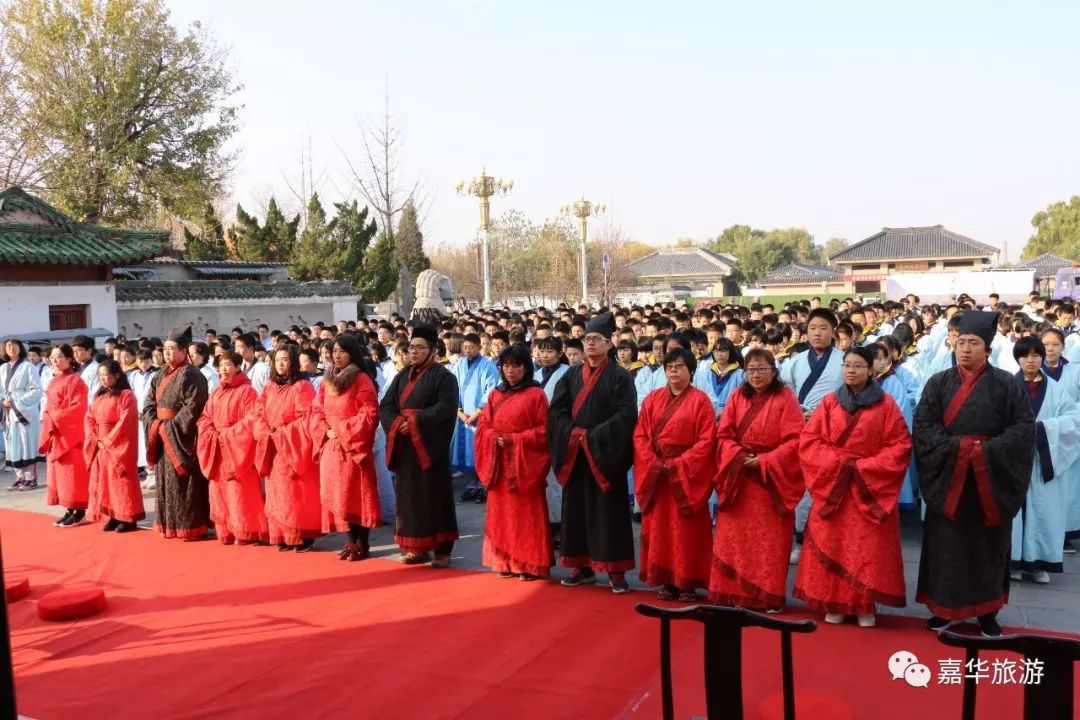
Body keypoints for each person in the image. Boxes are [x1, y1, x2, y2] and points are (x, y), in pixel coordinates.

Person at [914, 311, 1035, 638]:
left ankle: (987, 612)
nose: (965, 349)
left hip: (989, 480)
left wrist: (985, 452)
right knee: (947, 545)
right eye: (961, 342)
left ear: (988, 349)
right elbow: (924, 427)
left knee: (988, 547)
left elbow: (1023, 429)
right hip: (950, 478)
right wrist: (958, 450)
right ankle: (944, 608)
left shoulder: (1006, 384)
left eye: (974, 343)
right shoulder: (938, 383)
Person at [792, 346, 912, 627]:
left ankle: (863, 605)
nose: (851, 370)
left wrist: (864, 468)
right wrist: (839, 463)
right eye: (847, 365)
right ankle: (834, 602)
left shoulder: (887, 405)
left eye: (858, 366)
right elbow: (810, 442)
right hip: (835, 487)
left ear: (871, 370)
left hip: (868, 487)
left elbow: (900, 445)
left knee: (866, 549)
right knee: (834, 544)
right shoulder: (830, 403)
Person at [548, 312, 638, 593]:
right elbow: (557, 411)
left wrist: (593, 437)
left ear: (610, 343)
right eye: (587, 339)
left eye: (596, 339)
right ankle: (581, 566)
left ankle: (615, 570)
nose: (590, 344)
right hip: (575, 452)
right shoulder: (571, 375)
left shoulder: (620, 377)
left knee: (609, 512)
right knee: (576, 510)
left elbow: (626, 415)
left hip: (604, 454)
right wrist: (573, 434)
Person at [711, 349, 805, 611]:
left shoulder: (786, 397)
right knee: (734, 540)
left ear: (774, 371)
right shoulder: (737, 396)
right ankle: (730, 592)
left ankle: (767, 595)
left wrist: (765, 461)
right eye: (751, 369)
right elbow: (724, 435)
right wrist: (739, 456)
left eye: (762, 369)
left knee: (768, 543)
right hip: (738, 477)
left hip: (770, 482)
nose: (756, 374)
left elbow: (796, 440)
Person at [633, 347, 714, 601]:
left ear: (691, 371)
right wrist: (653, 462)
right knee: (661, 530)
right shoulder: (652, 399)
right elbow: (640, 436)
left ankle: (687, 581)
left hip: (686, 475)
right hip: (657, 473)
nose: (673, 371)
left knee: (686, 531)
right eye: (669, 367)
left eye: (679, 366)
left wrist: (680, 464)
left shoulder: (700, 401)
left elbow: (707, 441)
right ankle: (666, 580)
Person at [379, 325, 460, 567]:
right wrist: (397, 423)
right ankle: (416, 547)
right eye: (411, 348)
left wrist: (414, 423)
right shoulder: (402, 376)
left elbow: (445, 408)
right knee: (408, 497)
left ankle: (442, 549)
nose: (413, 353)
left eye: (419, 348)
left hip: (428, 445)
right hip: (405, 444)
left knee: (435, 495)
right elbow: (386, 406)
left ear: (433, 350)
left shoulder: (445, 377)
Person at [474, 344, 554, 580]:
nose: (510, 371)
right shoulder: (495, 394)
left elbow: (544, 431)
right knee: (501, 517)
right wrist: (494, 438)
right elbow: (484, 426)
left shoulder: (536, 394)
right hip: (499, 463)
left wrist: (514, 440)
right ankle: (504, 561)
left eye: (516, 366)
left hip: (524, 465)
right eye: (506, 366)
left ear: (526, 368)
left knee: (526, 517)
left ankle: (530, 564)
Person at [1009, 336, 1080, 584]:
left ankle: (1038, 563)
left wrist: (1042, 430)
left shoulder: (1057, 389)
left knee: (1044, 510)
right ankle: (1014, 562)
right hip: (1014, 460)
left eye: (1036, 355)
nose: (1032, 360)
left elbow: (1074, 419)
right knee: (1014, 512)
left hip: (1043, 459)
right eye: (1026, 355)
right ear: (1017, 358)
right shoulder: (1007, 386)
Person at [781, 308, 845, 564]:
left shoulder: (844, 361)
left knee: (826, 486)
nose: (817, 333)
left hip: (831, 432)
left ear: (833, 331)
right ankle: (798, 539)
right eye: (813, 328)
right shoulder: (794, 362)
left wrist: (823, 415)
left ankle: (826, 540)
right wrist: (799, 414)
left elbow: (849, 398)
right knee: (799, 487)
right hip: (800, 431)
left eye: (823, 328)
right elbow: (784, 397)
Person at [310, 336, 381, 561]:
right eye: (334, 351)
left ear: (352, 354)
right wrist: (324, 429)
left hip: (352, 447)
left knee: (357, 495)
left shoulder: (361, 379)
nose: (337, 355)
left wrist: (341, 430)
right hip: (332, 445)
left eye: (342, 351)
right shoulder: (326, 380)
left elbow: (369, 414)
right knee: (339, 496)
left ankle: (363, 543)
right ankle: (350, 542)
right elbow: (316, 410)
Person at [142, 325, 211, 540]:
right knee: (165, 483)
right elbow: (149, 403)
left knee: (185, 484)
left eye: (173, 349)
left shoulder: (192, 374)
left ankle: (191, 526)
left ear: (184, 351)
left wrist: (169, 427)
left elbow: (194, 406)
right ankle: (168, 524)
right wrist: (154, 424)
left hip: (181, 437)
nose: (168, 353)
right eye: (165, 349)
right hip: (161, 432)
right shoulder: (160, 373)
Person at [255, 345, 322, 552]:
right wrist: (266, 432)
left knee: (297, 493)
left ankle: (303, 535)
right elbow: (258, 413)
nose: (281, 364)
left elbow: (306, 418)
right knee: (277, 494)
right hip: (273, 445)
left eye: (285, 359)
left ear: (293, 361)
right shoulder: (269, 386)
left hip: (293, 447)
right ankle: (282, 535)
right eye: (277, 360)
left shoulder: (302, 386)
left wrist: (283, 434)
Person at [196, 351, 268, 545]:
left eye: (228, 365)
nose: (224, 369)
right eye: (221, 365)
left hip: (236, 449)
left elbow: (251, 419)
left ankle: (246, 531)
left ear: (238, 367)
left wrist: (227, 436)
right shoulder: (216, 392)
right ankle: (226, 530)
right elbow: (205, 418)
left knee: (239, 491)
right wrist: (211, 434)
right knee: (219, 491)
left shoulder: (248, 391)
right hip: (217, 446)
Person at [84, 360, 144, 532]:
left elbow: (126, 421)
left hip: (117, 444)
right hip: (100, 442)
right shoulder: (99, 396)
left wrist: (108, 441)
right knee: (104, 481)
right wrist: (95, 437)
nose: (103, 379)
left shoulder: (126, 395)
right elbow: (89, 418)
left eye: (107, 375)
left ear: (117, 375)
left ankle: (128, 517)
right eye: (101, 375)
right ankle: (111, 514)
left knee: (120, 480)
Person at [38, 344, 89, 527]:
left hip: (70, 433)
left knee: (73, 473)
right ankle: (69, 508)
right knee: (61, 474)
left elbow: (79, 408)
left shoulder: (76, 381)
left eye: (59, 356)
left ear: (69, 358)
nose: (55, 360)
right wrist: (48, 415)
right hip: (56, 431)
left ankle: (80, 510)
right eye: (52, 357)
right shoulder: (54, 381)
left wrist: (53, 416)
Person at [451, 333, 499, 500]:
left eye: (471, 347)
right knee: (467, 451)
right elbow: (453, 387)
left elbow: (491, 389)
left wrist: (478, 411)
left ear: (479, 347)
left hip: (480, 416)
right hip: (463, 416)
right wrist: (458, 410)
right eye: (465, 348)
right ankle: (472, 483)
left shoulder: (488, 365)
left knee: (480, 450)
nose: (468, 351)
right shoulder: (459, 365)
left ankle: (483, 484)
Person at [535, 335, 570, 546]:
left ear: (559, 353)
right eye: (541, 351)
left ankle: (561, 528)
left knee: (559, 482)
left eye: (549, 351)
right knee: (545, 484)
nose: (545, 355)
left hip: (560, 433)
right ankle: (547, 526)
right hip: (539, 435)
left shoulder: (568, 374)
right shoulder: (535, 375)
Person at [2, 339, 42, 491]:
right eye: (8, 346)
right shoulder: (3, 368)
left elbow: (37, 389)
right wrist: (3, 401)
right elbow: (0, 389)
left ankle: (31, 478)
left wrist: (17, 401)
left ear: (20, 348)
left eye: (14, 345)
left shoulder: (27, 366)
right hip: (9, 411)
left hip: (24, 411)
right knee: (13, 444)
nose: (11, 348)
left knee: (27, 444)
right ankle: (19, 477)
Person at [693, 337, 746, 418]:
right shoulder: (704, 374)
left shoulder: (741, 375)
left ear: (731, 352)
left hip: (731, 418)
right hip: (708, 418)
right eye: (716, 351)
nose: (719, 354)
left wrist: (726, 412)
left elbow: (743, 401)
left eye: (723, 351)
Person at [128, 349, 157, 490]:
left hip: (150, 412)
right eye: (141, 361)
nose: (144, 364)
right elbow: (130, 393)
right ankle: (147, 472)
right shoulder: (133, 375)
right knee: (141, 444)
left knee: (150, 442)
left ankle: (154, 474)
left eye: (146, 361)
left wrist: (148, 411)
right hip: (137, 413)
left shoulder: (155, 375)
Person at [72, 335, 101, 403]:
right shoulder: (76, 368)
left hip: (89, 406)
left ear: (89, 350)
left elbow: (95, 392)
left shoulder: (96, 368)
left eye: (79, 350)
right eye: (74, 351)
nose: (75, 354)